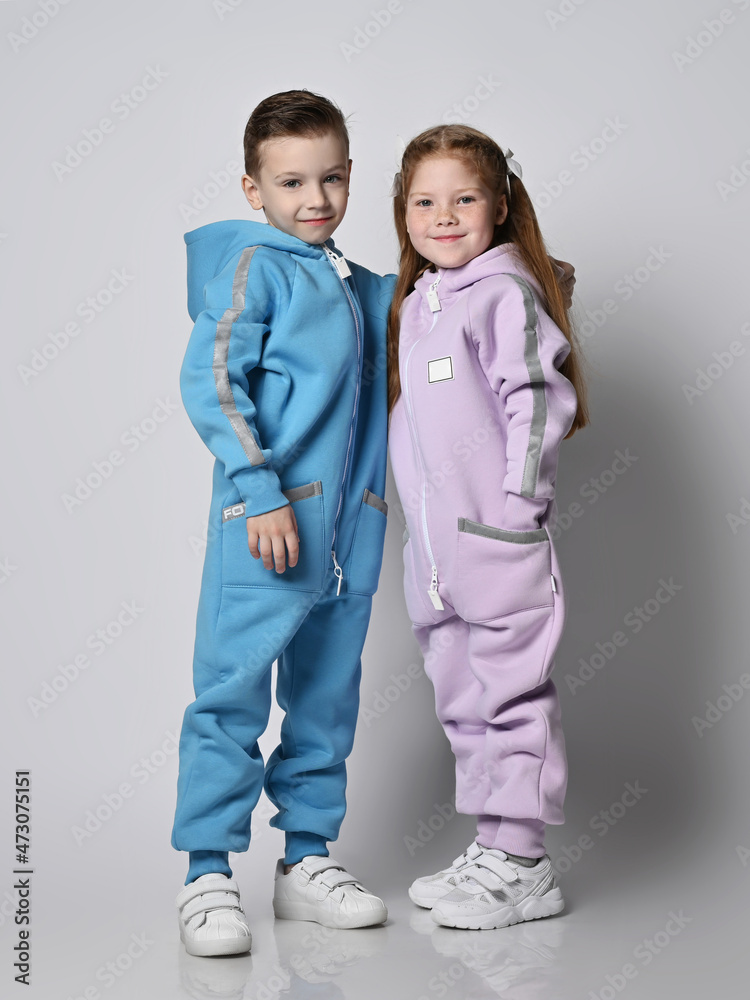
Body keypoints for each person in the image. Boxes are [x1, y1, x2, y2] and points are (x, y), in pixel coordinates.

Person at [171, 90, 396, 957]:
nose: (316, 199)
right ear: (251, 188)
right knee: (230, 698)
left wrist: (526, 274)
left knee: (324, 704)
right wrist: (259, 491)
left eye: (332, 177)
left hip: (349, 539)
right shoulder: (253, 267)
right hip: (268, 526)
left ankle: (306, 862)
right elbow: (214, 382)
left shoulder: (356, 284)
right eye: (292, 181)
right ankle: (206, 872)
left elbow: (431, 308)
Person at [386, 124, 590, 930]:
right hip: (435, 559)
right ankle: (493, 846)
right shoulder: (418, 308)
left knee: (512, 698)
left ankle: (527, 863)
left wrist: (519, 506)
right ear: (403, 214)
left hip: (496, 541)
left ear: (499, 207)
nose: (444, 215)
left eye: (463, 199)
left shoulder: (502, 291)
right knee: (461, 700)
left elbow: (537, 397)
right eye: (424, 201)